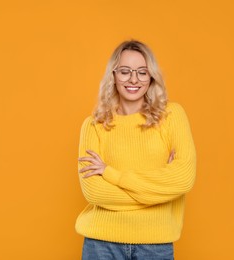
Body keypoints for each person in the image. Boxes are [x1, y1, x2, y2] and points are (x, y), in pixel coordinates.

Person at [76, 40, 196, 259]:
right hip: (101, 245)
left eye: (142, 72)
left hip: (155, 245)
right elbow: (94, 192)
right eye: (125, 71)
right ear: (113, 75)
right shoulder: (94, 125)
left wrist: (111, 174)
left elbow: (183, 179)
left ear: (151, 77)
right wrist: (157, 191)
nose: (133, 79)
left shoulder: (171, 116)